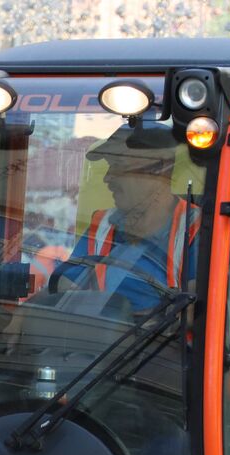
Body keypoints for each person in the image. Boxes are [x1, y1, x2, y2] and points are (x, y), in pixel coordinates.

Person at [52, 121, 200, 319]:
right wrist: (29, 312)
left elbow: (196, 312)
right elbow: (66, 289)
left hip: (163, 347)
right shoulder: (103, 223)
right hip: (97, 344)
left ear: (158, 168)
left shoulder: (198, 227)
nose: (107, 178)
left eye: (118, 167)